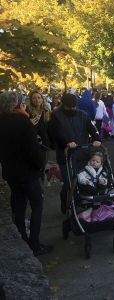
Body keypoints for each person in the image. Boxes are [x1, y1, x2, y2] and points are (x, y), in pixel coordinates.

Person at [0, 92, 53, 256]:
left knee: (20, 206)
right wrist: (39, 167)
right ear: (16, 104)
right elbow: (33, 151)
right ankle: (35, 244)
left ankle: (23, 238)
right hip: (28, 173)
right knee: (37, 205)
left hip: (11, 173)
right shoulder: (23, 122)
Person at [49, 93, 101, 214]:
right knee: (69, 182)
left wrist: (97, 138)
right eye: (69, 107)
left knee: (83, 180)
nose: (72, 109)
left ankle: (80, 204)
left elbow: (92, 129)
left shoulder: (82, 115)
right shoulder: (56, 116)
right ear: (64, 105)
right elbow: (55, 134)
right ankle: (66, 199)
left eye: (74, 107)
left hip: (82, 153)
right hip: (66, 155)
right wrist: (66, 142)